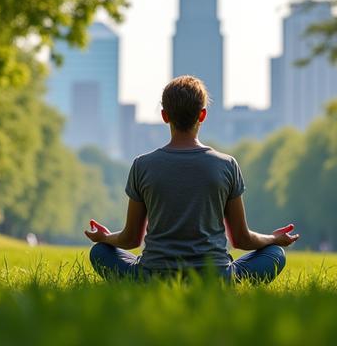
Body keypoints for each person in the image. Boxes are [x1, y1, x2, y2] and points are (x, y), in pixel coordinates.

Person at [85, 75, 299, 283]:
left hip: (153, 277)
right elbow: (241, 239)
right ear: (203, 115)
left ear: (164, 116)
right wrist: (273, 239)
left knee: (100, 252)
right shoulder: (227, 165)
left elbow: (130, 239)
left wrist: (105, 237)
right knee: (275, 253)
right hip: (216, 278)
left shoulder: (142, 165)